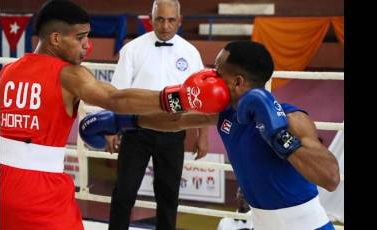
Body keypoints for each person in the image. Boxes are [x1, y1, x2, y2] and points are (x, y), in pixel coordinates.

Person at [0, 0, 230, 229]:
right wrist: (179, 97)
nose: (86, 46)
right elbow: (116, 100)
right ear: (56, 38)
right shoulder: (70, 75)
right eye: (80, 38)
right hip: (41, 190)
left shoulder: (7, 71)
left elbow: (142, 120)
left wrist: (213, 118)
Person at [80, 40, 341, 230]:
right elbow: (175, 121)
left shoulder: (292, 119)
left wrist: (278, 135)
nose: (209, 75)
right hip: (262, 224)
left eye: (217, 72)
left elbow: (330, 178)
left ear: (237, 82)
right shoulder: (224, 112)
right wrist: (124, 122)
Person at [104, 1, 210, 229]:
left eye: (171, 20)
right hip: (135, 130)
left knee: (168, 196)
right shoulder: (132, 49)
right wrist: (111, 128)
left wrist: (203, 135)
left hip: (173, 132)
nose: (165, 25)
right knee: (124, 193)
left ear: (180, 21)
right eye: (160, 19)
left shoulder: (191, 52)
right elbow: (117, 92)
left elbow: (201, 97)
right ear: (151, 19)